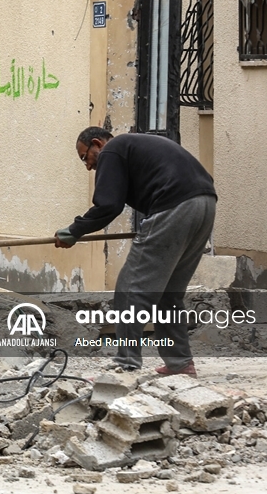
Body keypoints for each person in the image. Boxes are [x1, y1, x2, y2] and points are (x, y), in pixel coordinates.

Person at [55, 127, 217, 376]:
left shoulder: (112, 150)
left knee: (130, 290)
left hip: (173, 205)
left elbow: (109, 205)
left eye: (85, 157)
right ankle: (181, 364)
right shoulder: (135, 147)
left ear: (97, 144)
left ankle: (126, 363)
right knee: (168, 294)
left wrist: (73, 231)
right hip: (204, 204)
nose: (88, 166)